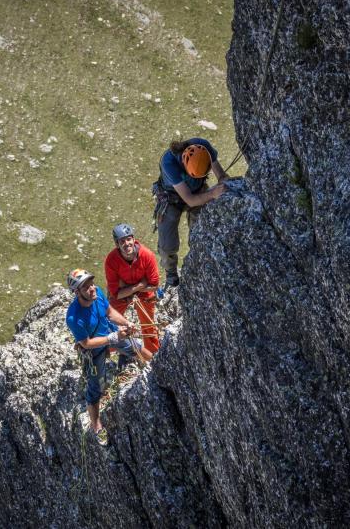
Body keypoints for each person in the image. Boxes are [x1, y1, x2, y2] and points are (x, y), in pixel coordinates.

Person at [65, 268, 142, 445]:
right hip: (94, 350)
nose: (92, 288)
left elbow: (109, 313)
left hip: (109, 331)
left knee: (137, 349)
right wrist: (112, 338)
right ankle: (96, 425)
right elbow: (85, 343)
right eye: (86, 287)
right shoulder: (73, 317)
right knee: (95, 388)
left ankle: (128, 368)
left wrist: (127, 323)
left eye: (91, 284)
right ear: (76, 292)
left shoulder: (97, 293)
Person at [154, 138, 229, 286]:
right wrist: (213, 194)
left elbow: (220, 174)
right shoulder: (169, 163)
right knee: (167, 243)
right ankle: (171, 272)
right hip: (171, 198)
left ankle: (198, 255)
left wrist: (223, 182)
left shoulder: (204, 147)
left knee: (200, 231)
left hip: (198, 190)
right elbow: (190, 200)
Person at [104, 224, 161, 355]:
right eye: (122, 241)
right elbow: (115, 293)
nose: (127, 244)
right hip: (128, 290)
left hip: (140, 291)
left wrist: (131, 289)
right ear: (117, 244)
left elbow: (154, 284)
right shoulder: (111, 260)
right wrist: (139, 286)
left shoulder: (147, 255)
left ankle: (153, 354)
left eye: (129, 239)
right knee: (110, 320)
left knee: (148, 324)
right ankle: (109, 350)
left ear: (134, 239)